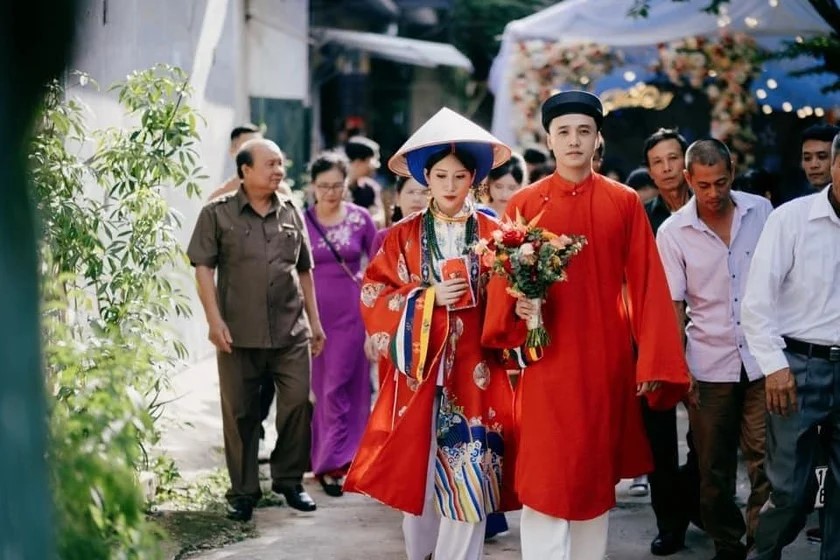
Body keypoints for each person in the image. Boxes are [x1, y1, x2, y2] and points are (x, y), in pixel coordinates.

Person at [482, 91, 690, 560]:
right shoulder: (523, 203)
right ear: (549, 140)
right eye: (564, 132)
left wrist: (653, 360)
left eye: (583, 130)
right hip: (545, 360)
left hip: (604, 361)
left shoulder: (624, 203)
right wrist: (516, 315)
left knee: (595, 476)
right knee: (546, 473)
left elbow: (648, 284)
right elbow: (502, 285)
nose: (574, 141)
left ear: (598, 139)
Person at [344, 107, 519, 560]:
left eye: (459, 176)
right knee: (418, 480)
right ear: (427, 178)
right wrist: (428, 298)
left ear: (474, 179)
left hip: (476, 372)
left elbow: (516, 298)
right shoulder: (401, 236)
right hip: (419, 373)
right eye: (439, 175)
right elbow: (373, 294)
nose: (448, 185)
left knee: (470, 477)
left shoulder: (498, 234)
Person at [187, 138, 325, 521]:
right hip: (238, 333)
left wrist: (315, 321)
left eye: (281, 163)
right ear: (245, 170)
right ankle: (244, 492)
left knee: (300, 401)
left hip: (290, 330)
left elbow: (304, 269)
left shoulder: (291, 210)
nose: (278, 171)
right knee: (241, 414)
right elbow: (203, 268)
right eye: (270, 164)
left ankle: (289, 479)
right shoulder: (217, 213)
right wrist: (214, 321)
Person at [657, 139, 773, 560]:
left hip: (762, 359)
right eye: (703, 185)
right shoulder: (672, 232)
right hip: (708, 364)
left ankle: (764, 545)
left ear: (732, 172)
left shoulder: (760, 211)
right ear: (688, 180)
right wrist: (678, 367)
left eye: (721, 182)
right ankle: (728, 543)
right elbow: (674, 303)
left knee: (766, 463)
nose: (713, 193)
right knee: (712, 469)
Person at [742, 132, 840, 560]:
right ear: (835, 166)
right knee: (789, 492)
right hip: (798, 367)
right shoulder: (792, 219)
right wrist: (774, 367)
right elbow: (757, 301)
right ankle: (762, 555)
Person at [641, 127, 703, 556]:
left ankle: (699, 501)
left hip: (707, 338)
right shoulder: (642, 215)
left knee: (707, 436)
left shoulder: (712, 205)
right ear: (649, 169)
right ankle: (670, 523)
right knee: (657, 437)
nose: (666, 169)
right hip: (654, 338)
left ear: (686, 162)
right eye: (657, 162)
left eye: (672, 159)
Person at [303, 151, 377, 498]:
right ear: (312, 186)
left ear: (346, 183)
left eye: (337, 185)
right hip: (315, 315)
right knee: (323, 388)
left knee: (346, 386)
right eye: (323, 186)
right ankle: (329, 459)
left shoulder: (361, 219)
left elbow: (378, 268)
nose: (331, 193)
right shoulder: (301, 220)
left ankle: (339, 462)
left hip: (352, 312)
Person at [207, 123, 283, 453]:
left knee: (270, 382)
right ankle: (247, 438)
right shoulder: (220, 199)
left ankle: (259, 427)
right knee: (242, 385)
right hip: (239, 308)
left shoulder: (282, 197)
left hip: (279, 310)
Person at [371, 175, 429, 255]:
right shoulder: (383, 238)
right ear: (397, 198)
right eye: (411, 192)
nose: (417, 199)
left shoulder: (440, 237)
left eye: (424, 193)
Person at [345, 136, 386, 227]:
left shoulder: (370, 189)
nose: (376, 165)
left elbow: (379, 221)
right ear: (358, 162)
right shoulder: (338, 188)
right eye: (373, 160)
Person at [484, 152, 528, 218]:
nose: (504, 194)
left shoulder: (527, 216)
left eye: (512, 188)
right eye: (498, 187)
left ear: (521, 186)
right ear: (489, 183)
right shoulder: (478, 214)